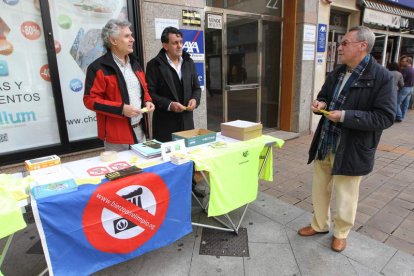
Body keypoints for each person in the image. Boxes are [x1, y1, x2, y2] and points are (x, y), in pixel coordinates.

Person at [298, 26, 396, 252]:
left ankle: (341, 233)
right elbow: (324, 96)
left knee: (345, 195)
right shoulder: (338, 72)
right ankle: (319, 224)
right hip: (325, 140)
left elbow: (384, 117)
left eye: (344, 43)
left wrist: (344, 116)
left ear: (362, 46)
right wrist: (320, 104)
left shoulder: (382, 77)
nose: (339, 47)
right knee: (319, 188)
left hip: (352, 147)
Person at [84, 19, 155, 151]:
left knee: (143, 170)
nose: (132, 39)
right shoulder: (98, 67)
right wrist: (121, 109)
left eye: (131, 35)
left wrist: (147, 100)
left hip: (140, 130)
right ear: (113, 40)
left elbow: (143, 88)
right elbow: (90, 100)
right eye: (127, 36)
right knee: (124, 171)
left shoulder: (135, 63)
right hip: (117, 137)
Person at [145, 26, 201, 142]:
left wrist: (195, 100)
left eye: (181, 42)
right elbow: (150, 93)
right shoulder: (154, 65)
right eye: (175, 43)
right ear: (165, 46)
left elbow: (196, 88)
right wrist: (170, 105)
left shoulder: (189, 62)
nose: (180, 46)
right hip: (165, 126)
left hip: (187, 124)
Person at [396, 56, 414, 121]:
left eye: (405, 61)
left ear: (408, 62)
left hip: (405, 88)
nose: (403, 62)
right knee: (405, 103)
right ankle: (402, 115)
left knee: (396, 102)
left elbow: (402, 79)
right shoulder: (412, 69)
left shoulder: (406, 70)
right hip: (411, 88)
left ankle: (398, 116)